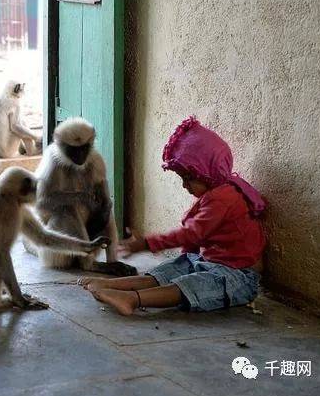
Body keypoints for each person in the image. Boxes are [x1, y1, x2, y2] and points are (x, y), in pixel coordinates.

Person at [78, 117, 266, 315]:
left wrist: (147, 243)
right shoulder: (214, 193)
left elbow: (192, 234)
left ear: (207, 173)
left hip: (238, 277)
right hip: (210, 263)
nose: (185, 185)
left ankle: (132, 299)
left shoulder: (223, 198)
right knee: (174, 267)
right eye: (182, 178)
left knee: (191, 284)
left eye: (189, 178)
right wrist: (186, 259)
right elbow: (194, 242)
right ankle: (117, 286)